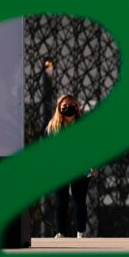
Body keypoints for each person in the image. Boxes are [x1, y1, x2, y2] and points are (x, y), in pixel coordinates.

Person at [45, 94, 92, 238]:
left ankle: (81, 231)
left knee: (79, 201)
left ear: (77, 107)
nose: (67, 108)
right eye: (64, 106)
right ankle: (60, 232)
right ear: (59, 108)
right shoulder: (53, 126)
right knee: (61, 202)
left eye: (71, 105)